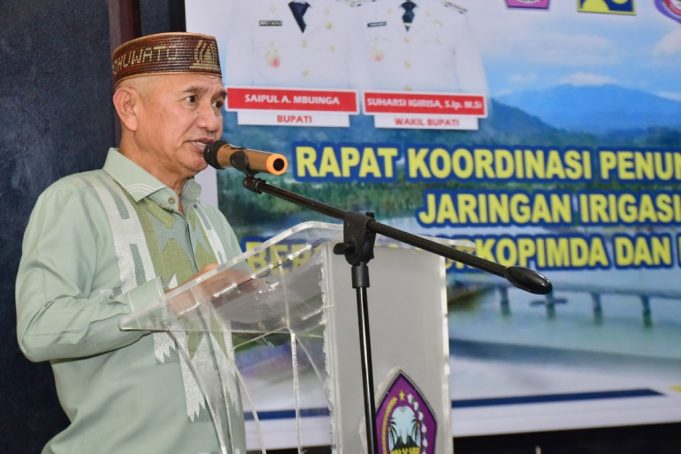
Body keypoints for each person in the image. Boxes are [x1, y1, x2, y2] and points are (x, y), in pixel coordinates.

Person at [15, 32, 246, 453]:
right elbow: (39, 328)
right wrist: (170, 301)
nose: (212, 122)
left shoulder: (212, 222)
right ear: (129, 108)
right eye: (191, 99)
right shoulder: (76, 201)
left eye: (217, 103)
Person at [354, 0, 488, 94]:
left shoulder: (454, 17)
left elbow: (473, 81)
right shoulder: (362, 14)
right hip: (380, 116)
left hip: (440, 118)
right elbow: (357, 75)